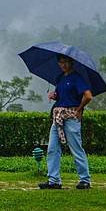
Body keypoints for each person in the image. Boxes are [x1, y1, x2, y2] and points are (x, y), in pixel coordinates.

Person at [39, 54, 93, 190]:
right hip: (58, 117)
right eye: (61, 62)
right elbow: (60, 95)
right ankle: (53, 180)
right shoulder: (60, 78)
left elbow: (88, 96)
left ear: (71, 62)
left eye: (66, 62)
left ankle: (85, 179)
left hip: (71, 116)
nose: (63, 65)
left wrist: (79, 109)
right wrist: (54, 95)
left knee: (76, 147)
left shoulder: (77, 78)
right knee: (52, 148)